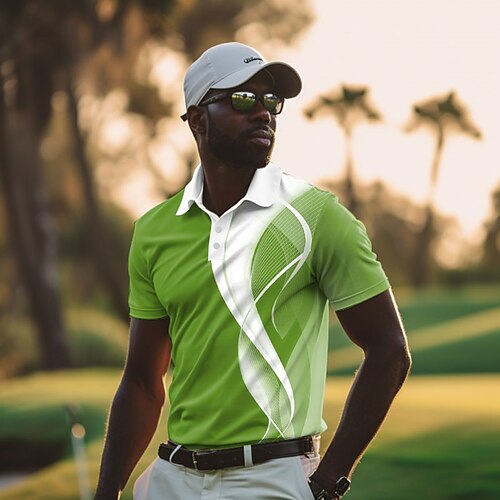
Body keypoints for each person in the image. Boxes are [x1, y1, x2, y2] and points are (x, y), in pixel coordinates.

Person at [94, 42, 411, 500]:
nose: (263, 113)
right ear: (198, 120)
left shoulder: (317, 217)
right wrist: (106, 493)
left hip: (274, 478)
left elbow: (389, 351)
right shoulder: (153, 231)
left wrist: (327, 483)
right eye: (243, 99)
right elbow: (143, 382)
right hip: (172, 478)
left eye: (271, 101)